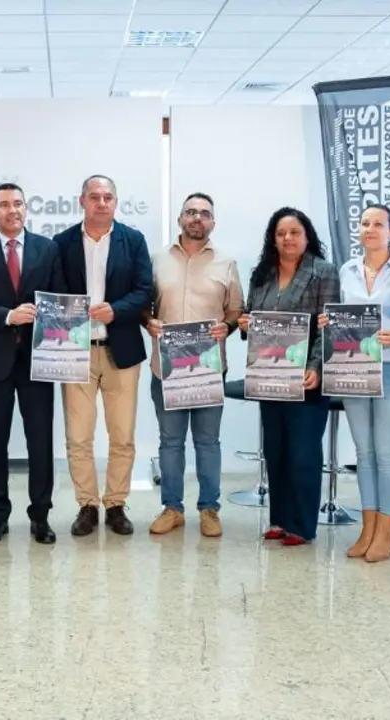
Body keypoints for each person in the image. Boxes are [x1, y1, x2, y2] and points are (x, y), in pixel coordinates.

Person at [0, 182, 65, 546]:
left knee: (41, 443)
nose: (12, 210)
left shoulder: (47, 249)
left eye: (18, 203)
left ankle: (41, 517)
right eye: (4, 205)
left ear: (26, 208)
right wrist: (7, 316)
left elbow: (60, 300)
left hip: (39, 362)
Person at [320, 204, 390, 562]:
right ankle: (367, 529)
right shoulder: (347, 271)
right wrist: (329, 325)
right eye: (365, 223)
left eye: (378, 224)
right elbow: (340, 317)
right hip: (354, 370)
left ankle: (386, 532)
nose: (370, 229)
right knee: (363, 454)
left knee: (387, 454)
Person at [52, 175, 153, 537]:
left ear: (116, 202)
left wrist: (118, 310)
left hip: (120, 350)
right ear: (82, 201)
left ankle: (115, 504)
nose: (101, 202)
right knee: (78, 436)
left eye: (108, 196)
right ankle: (86, 506)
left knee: (122, 434)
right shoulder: (61, 242)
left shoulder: (134, 240)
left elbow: (144, 292)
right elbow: (51, 291)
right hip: (74, 351)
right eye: (94, 196)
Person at [237, 207, 339, 546]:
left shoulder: (323, 272)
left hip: (306, 378)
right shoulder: (262, 273)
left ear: (306, 236)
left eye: (294, 232)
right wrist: (245, 323)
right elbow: (251, 317)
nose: (287, 239)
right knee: (276, 450)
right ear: (273, 238)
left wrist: (316, 367)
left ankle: (301, 524)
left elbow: (328, 325)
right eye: (281, 233)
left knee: (303, 453)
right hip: (270, 375)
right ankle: (279, 518)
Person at [144, 192, 242, 537]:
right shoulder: (156, 259)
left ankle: (209, 509)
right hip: (166, 368)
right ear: (180, 220)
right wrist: (148, 322)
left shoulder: (226, 263)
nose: (197, 218)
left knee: (207, 442)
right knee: (170, 442)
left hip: (209, 368)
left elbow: (235, 311)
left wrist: (226, 328)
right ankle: (172, 508)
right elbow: (145, 306)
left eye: (204, 213)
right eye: (190, 212)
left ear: (212, 221)